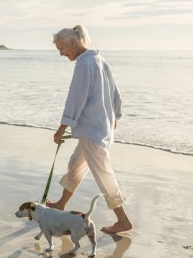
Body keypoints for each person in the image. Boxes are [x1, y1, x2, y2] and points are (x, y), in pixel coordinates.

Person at [47, 25, 133, 234]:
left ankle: (123, 220)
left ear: (73, 43)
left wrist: (61, 128)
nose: (61, 53)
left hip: (92, 130)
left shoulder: (84, 64)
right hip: (98, 127)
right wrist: (116, 116)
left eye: (62, 48)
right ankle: (61, 205)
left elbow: (75, 99)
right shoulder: (99, 59)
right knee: (75, 165)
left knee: (103, 174)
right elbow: (115, 92)